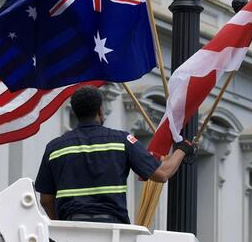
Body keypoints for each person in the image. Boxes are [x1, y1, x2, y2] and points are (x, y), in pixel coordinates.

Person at [34, 86, 190, 224]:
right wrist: (183, 149)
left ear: (75, 111)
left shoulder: (54, 148)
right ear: (100, 110)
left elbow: (46, 200)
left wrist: (62, 225)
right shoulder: (122, 141)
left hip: (71, 227)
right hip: (112, 227)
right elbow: (162, 173)